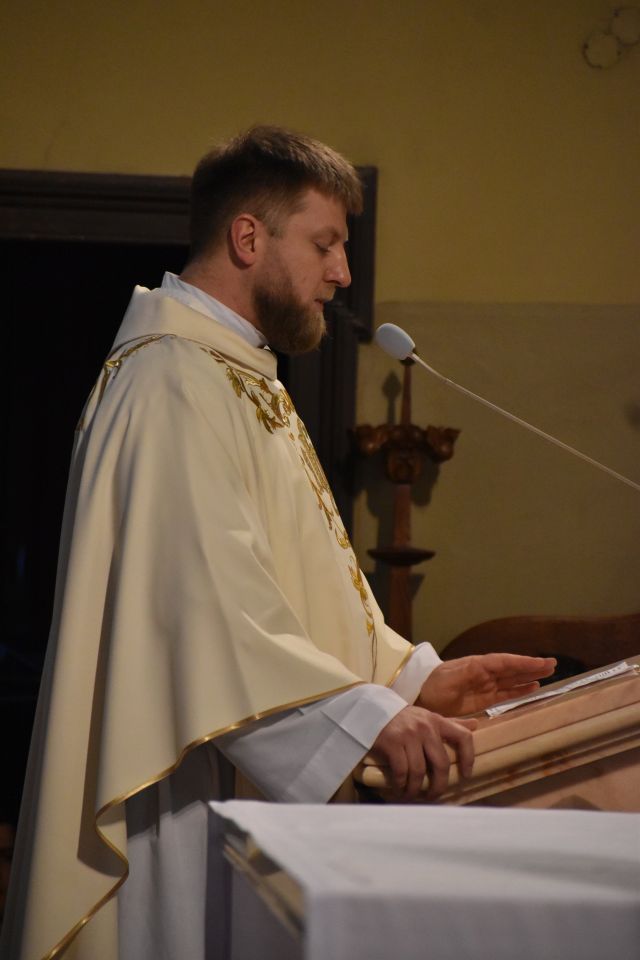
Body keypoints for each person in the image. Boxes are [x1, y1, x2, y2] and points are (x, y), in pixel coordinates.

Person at [0, 126, 554, 960]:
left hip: (238, 781)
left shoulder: (234, 373)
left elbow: (296, 586)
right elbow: (204, 609)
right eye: (325, 244)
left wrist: (416, 680)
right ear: (248, 238)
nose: (344, 273)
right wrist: (369, 720)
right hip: (184, 791)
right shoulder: (169, 380)